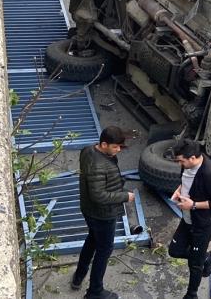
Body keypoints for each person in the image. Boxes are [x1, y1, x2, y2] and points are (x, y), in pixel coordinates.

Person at [73, 126, 134, 299]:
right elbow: (98, 195)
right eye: (115, 147)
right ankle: (95, 292)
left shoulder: (88, 150)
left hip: (89, 210)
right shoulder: (99, 165)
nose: (119, 150)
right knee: (104, 250)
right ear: (104, 144)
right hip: (102, 214)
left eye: (120, 146)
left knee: (92, 239)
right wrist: (124, 196)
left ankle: (79, 276)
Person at [168, 139, 211, 299]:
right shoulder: (187, 166)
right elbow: (186, 181)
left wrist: (193, 204)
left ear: (193, 158)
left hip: (202, 222)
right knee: (175, 251)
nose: (179, 164)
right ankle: (207, 258)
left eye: (181, 161)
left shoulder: (209, 173)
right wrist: (179, 190)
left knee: (195, 264)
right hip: (188, 217)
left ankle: (191, 295)